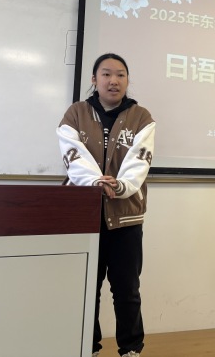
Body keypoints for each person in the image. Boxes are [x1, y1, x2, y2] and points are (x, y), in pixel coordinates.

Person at [57, 53, 155, 357]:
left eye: (121, 75)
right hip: (85, 216)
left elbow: (140, 160)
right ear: (94, 79)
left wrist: (121, 185)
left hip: (126, 217)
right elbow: (72, 154)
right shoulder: (76, 113)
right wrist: (95, 182)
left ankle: (131, 349)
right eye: (106, 74)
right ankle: (90, 347)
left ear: (127, 80)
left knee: (127, 290)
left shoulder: (141, 116)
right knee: (88, 288)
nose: (114, 81)